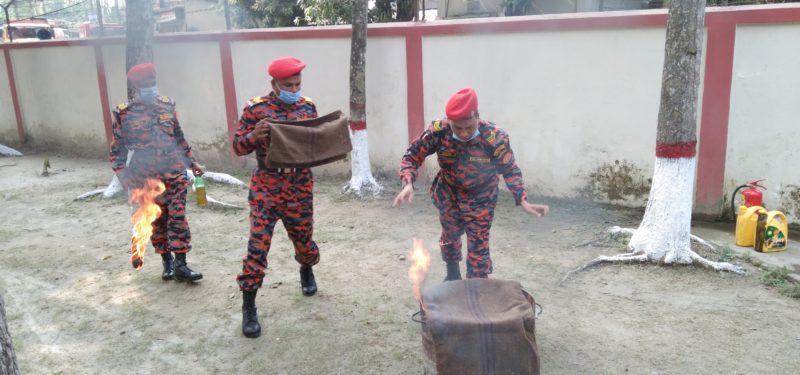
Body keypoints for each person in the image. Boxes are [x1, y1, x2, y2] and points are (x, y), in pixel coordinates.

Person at [393, 87, 549, 280]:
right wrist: (407, 183)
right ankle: (452, 276)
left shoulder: (495, 137)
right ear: (449, 121)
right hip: (448, 193)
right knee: (450, 235)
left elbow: (510, 169)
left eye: (469, 126)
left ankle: (477, 287)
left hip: (481, 196)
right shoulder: (438, 132)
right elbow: (412, 156)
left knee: (478, 242)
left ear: (477, 116)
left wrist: (522, 199)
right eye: (457, 128)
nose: (464, 133)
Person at [232, 57, 321, 338]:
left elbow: (316, 142)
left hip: (299, 186)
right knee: (257, 248)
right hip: (266, 187)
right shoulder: (255, 109)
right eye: (287, 85)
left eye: (297, 84)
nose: (293, 89)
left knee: (304, 242)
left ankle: (306, 268)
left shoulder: (307, 106)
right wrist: (254, 136)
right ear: (274, 84)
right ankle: (249, 307)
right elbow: (237, 146)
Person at [109, 63, 204, 283]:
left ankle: (181, 264)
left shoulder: (167, 105)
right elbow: (118, 148)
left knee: (178, 217)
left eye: (152, 83)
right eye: (145, 85)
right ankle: (167, 262)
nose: (150, 88)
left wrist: (192, 162)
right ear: (134, 87)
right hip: (145, 176)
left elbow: (178, 138)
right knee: (157, 221)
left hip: (173, 171)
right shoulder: (123, 113)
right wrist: (123, 175)